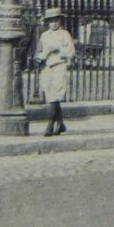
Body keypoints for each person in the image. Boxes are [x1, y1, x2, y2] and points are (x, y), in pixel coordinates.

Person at [33, 8, 77, 136]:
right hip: (46, 66)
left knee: (55, 94)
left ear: (60, 21)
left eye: (56, 20)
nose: (54, 23)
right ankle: (61, 123)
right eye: (51, 21)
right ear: (47, 22)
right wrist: (41, 56)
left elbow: (71, 52)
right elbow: (39, 51)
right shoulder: (44, 35)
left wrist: (58, 50)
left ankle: (50, 124)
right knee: (50, 94)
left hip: (59, 65)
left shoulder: (65, 34)